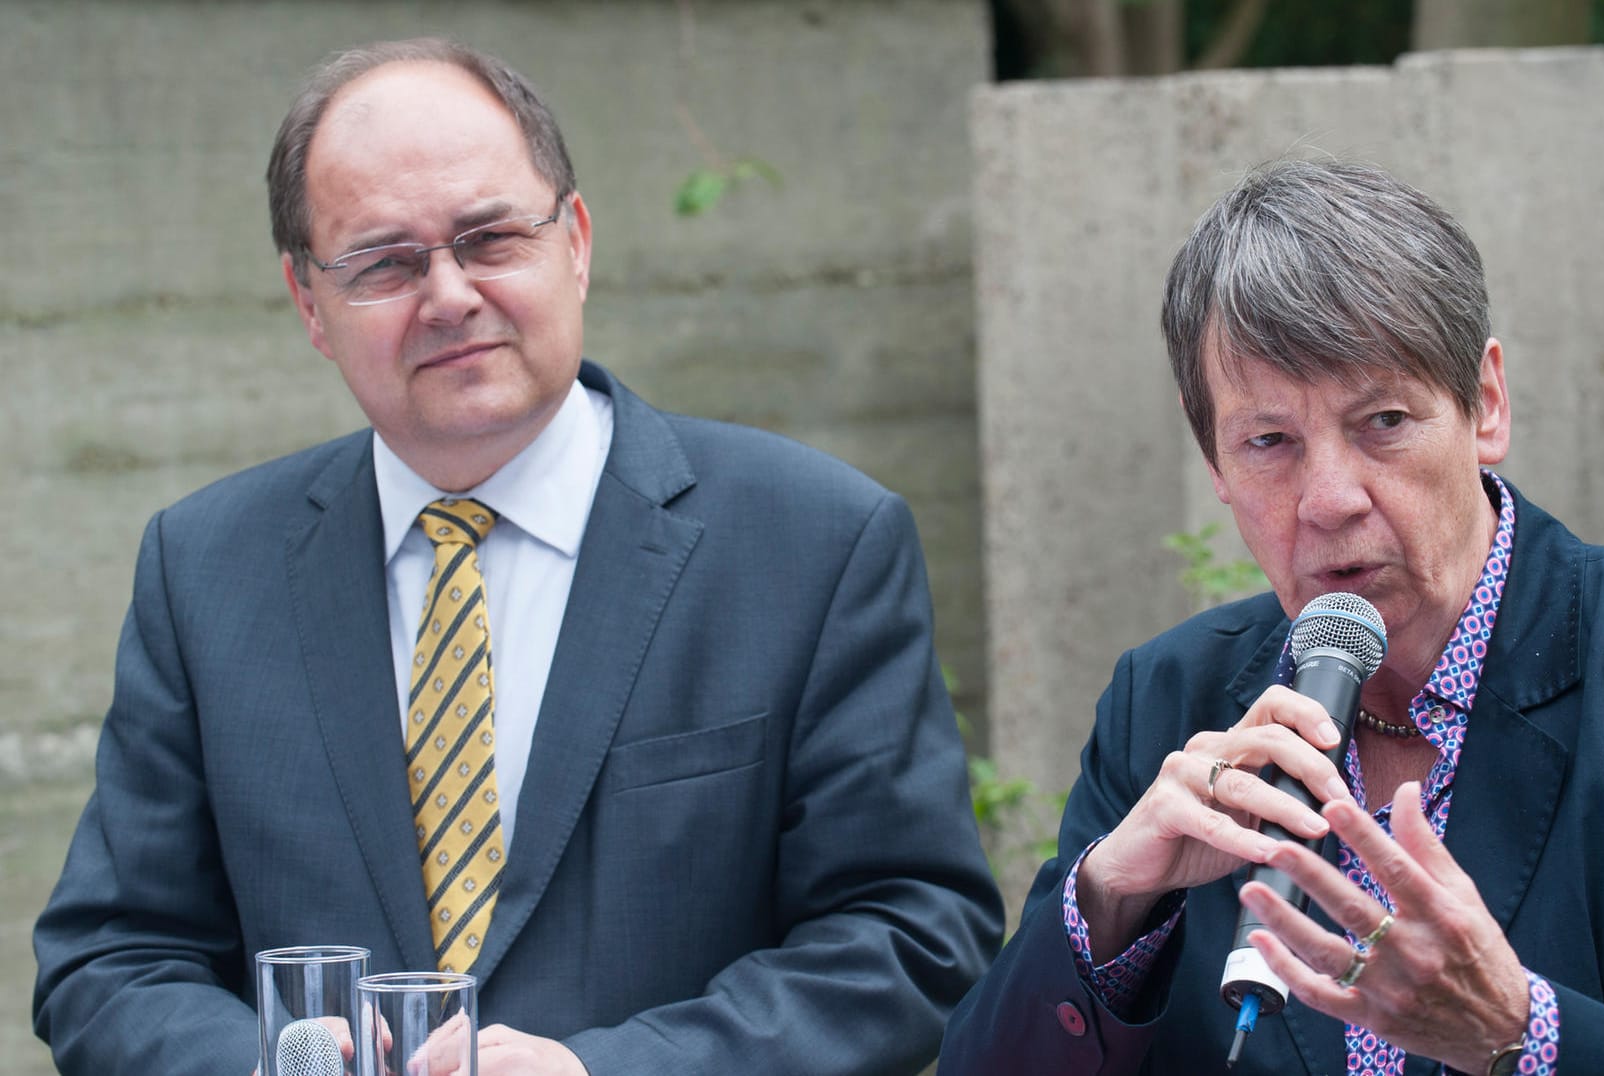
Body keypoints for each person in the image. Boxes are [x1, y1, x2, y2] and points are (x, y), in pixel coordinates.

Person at [31, 37, 1001, 1076]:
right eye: (385, 261)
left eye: (489, 237)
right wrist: (282, 1064)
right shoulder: (206, 569)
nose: (447, 294)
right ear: (309, 301)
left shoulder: (814, 541)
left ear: (575, 239)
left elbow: (910, 931)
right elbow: (111, 958)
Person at [940, 158, 1604, 1075]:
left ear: (1484, 405)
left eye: (1383, 423)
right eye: (1269, 441)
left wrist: (1519, 1038)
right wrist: (1111, 902)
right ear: (1217, 473)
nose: (1329, 497)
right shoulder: (1171, 698)